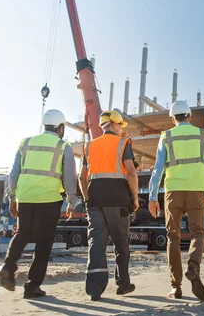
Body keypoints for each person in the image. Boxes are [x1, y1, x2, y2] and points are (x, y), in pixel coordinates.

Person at [0, 109, 77, 299]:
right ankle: (32, 286)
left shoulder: (25, 143)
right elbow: (69, 178)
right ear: (61, 128)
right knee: (44, 242)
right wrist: (71, 202)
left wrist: (12, 198)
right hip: (49, 198)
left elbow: (13, 174)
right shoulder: (63, 146)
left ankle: (7, 267)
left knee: (22, 233)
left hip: (25, 196)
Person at [148, 100, 204, 301]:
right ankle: (193, 266)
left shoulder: (166, 136)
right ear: (190, 116)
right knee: (198, 232)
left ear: (172, 118)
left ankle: (175, 286)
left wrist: (152, 196)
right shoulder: (203, 135)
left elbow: (158, 168)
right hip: (196, 189)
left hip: (173, 191)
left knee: (173, 236)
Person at [79, 110, 139, 301]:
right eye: (121, 125)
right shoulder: (123, 143)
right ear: (113, 125)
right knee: (121, 242)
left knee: (96, 243)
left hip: (95, 200)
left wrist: (88, 197)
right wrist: (135, 197)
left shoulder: (89, 146)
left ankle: (94, 289)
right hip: (119, 201)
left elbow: (82, 177)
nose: (122, 129)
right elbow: (131, 171)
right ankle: (123, 284)